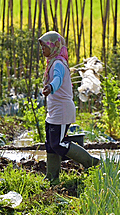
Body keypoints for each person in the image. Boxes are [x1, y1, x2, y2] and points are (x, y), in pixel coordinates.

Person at [38, 31, 99, 183]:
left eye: (45, 46)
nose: (42, 50)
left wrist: (51, 87)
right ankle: (52, 177)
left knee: (58, 144)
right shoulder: (52, 62)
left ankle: (90, 162)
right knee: (51, 145)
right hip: (54, 111)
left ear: (54, 46)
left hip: (62, 111)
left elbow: (58, 79)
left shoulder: (58, 63)